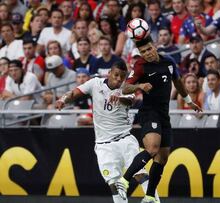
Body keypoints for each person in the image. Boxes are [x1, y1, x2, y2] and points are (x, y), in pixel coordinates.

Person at [111, 35, 201, 203]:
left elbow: (178, 82)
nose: (148, 53)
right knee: (152, 149)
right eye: (143, 51)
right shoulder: (140, 66)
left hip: (164, 115)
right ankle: (124, 180)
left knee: (162, 158)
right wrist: (139, 86)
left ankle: (150, 196)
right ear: (139, 52)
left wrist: (189, 101)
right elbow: (125, 88)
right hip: (148, 112)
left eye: (149, 49)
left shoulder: (169, 62)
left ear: (155, 46)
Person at [55, 62, 159, 203]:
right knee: (114, 185)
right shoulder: (95, 83)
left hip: (125, 139)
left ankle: (154, 200)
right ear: (109, 72)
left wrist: (119, 97)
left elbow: (130, 101)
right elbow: (74, 92)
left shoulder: (126, 87)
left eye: (121, 77)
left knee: (140, 174)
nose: (118, 79)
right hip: (104, 145)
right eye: (116, 75)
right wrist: (63, 99)